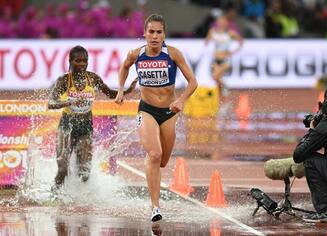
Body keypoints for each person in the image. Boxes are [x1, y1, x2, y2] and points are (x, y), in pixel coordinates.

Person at [115, 14, 198, 222]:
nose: (154, 36)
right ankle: (155, 206)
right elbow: (124, 66)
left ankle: (153, 168)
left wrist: (181, 101)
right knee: (154, 154)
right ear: (144, 34)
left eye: (158, 32)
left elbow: (193, 82)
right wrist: (120, 90)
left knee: (162, 161)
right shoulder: (136, 55)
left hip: (170, 112)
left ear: (164, 35)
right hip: (147, 110)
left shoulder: (173, 54)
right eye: (150, 32)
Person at [48, 45, 137, 193]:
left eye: (85, 61)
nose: (82, 64)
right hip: (66, 126)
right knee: (63, 169)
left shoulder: (93, 78)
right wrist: (69, 102)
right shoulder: (64, 80)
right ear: (70, 61)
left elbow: (109, 93)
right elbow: (51, 103)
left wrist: (126, 91)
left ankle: (76, 197)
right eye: (78, 61)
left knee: (84, 173)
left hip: (85, 128)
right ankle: (54, 195)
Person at [205, 15, 243, 97]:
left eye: (223, 22)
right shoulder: (212, 32)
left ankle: (226, 87)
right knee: (217, 80)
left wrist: (232, 52)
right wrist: (210, 48)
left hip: (225, 59)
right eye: (220, 21)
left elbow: (241, 42)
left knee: (215, 76)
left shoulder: (230, 33)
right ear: (217, 22)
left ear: (226, 23)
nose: (221, 23)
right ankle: (221, 99)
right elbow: (206, 42)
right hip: (215, 59)